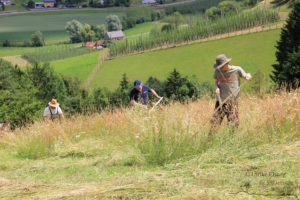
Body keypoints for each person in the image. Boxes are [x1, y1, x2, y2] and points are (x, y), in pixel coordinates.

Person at [210, 54, 252, 128]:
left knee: (233, 124)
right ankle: (210, 139)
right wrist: (216, 88)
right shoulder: (217, 71)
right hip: (220, 101)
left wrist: (248, 76)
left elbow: (246, 75)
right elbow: (216, 82)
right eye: (219, 67)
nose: (220, 69)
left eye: (221, 67)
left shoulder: (237, 69)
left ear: (226, 63)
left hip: (232, 101)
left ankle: (231, 139)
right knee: (215, 123)